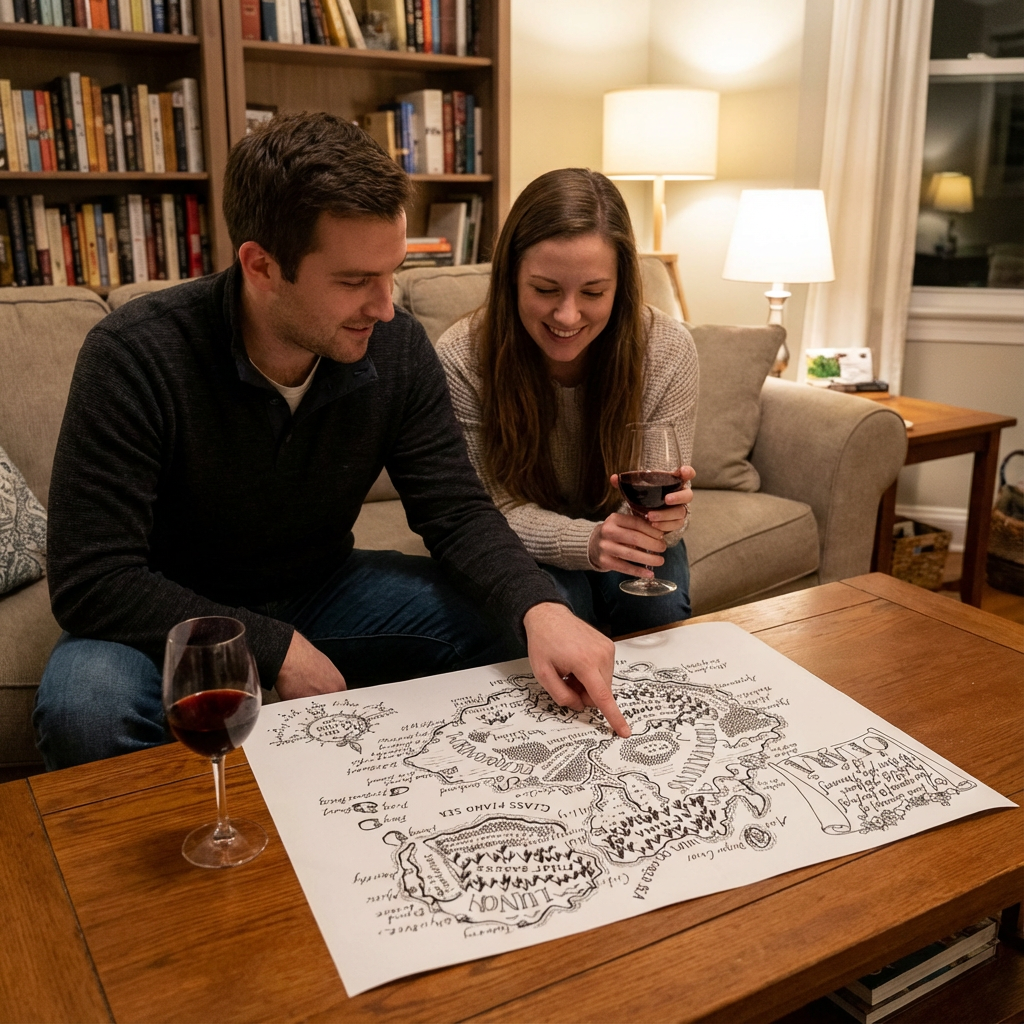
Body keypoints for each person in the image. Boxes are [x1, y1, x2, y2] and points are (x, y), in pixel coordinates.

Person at [34, 115, 630, 771]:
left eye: (392, 273)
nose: (384, 306)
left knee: (544, 613)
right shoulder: (135, 354)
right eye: (353, 282)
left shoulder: (395, 346)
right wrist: (275, 648)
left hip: (324, 590)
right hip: (173, 617)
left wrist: (540, 607)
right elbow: (92, 579)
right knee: (84, 711)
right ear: (262, 266)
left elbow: (455, 512)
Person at [437, 168, 698, 637]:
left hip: (621, 523)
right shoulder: (461, 357)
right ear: (511, 277)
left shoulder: (666, 348)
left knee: (655, 615)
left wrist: (666, 520)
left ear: (621, 287)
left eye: (594, 292)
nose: (567, 315)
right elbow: (482, 512)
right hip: (521, 542)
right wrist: (590, 542)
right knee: (564, 608)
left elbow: (669, 496)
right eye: (545, 290)